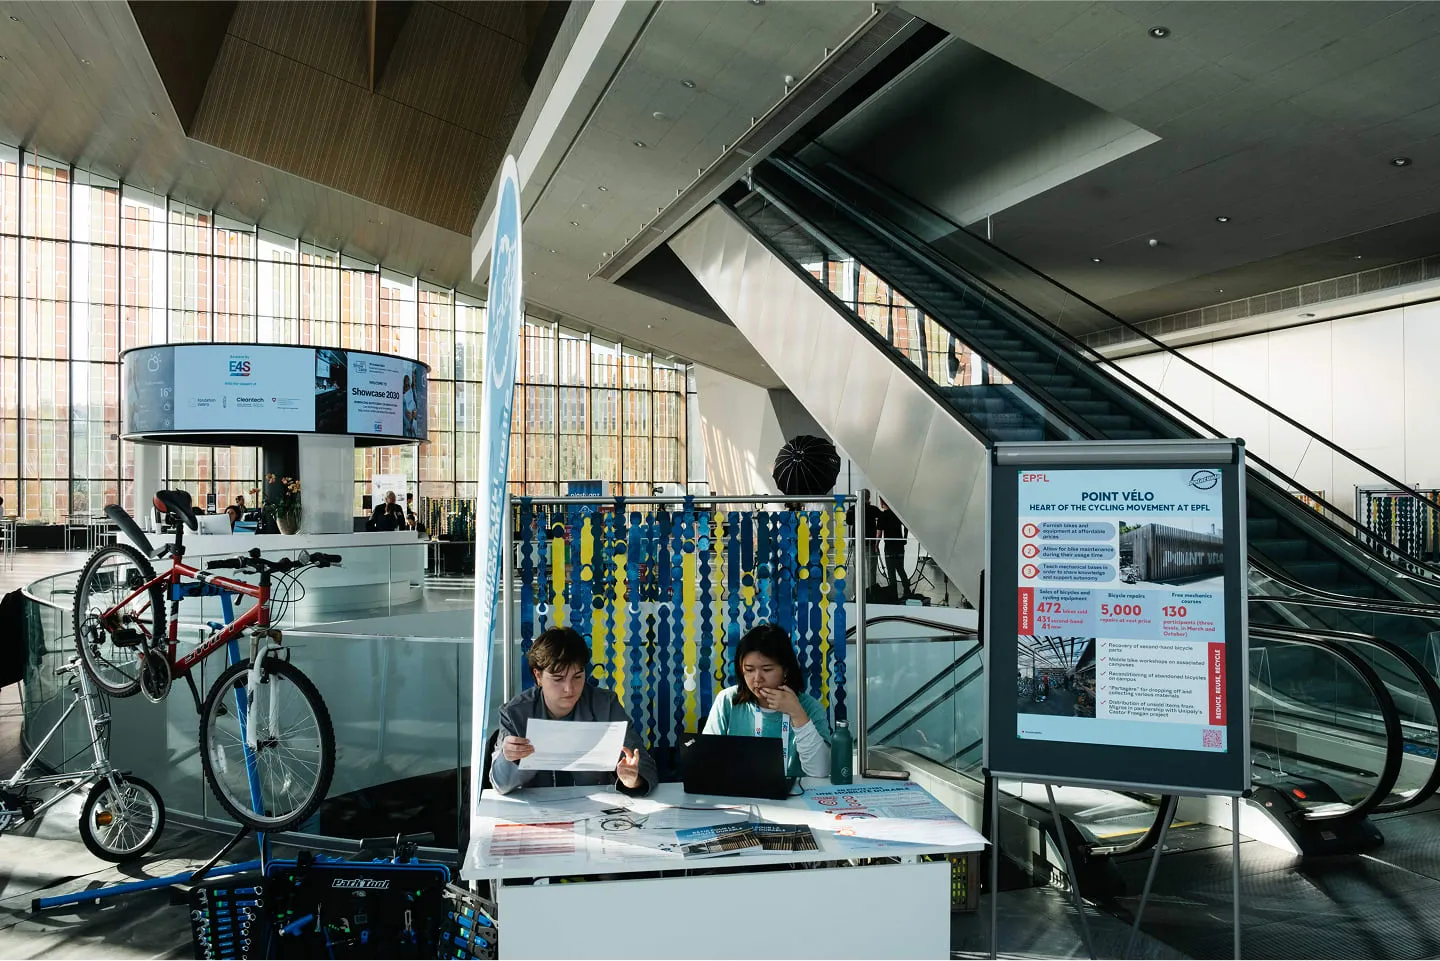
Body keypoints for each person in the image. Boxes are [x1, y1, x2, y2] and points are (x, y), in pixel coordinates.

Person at [490, 627, 656, 795]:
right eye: (558, 679)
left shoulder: (605, 706)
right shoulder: (514, 713)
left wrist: (632, 779)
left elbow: (643, 764)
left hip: (595, 812)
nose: (569, 689)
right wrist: (509, 757)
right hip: (535, 814)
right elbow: (500, 784)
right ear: (538, 676)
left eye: (577, 677)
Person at [702, 623, 831, 777]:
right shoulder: (728, 701)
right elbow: (706, 762)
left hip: (795, 798)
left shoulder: (809, 707)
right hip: (739, 796)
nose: (757, 679)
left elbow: (821, 771)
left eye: (767, 669)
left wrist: (797, 714)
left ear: (785, 670)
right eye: (749, 670)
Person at [875, 497, 909, 600]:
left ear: (882, 503)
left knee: (891, 571)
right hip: (899, 546)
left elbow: (879, 533)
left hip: (889, 546)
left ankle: (893, 594)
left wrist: (876, 545)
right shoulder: (897, 514)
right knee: (901, 569)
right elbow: (906, 526)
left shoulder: (882, 516)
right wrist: (905, 538)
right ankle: (907, 591)